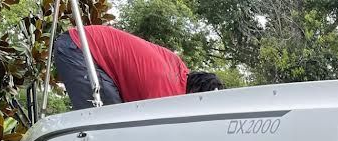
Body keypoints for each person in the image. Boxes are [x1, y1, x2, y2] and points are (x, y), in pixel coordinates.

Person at [54, 25, 224, 110]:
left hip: (86, 44)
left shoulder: (178, 69)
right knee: (109, 124)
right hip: (79, 46)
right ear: (195, 95)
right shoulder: (167, 94)